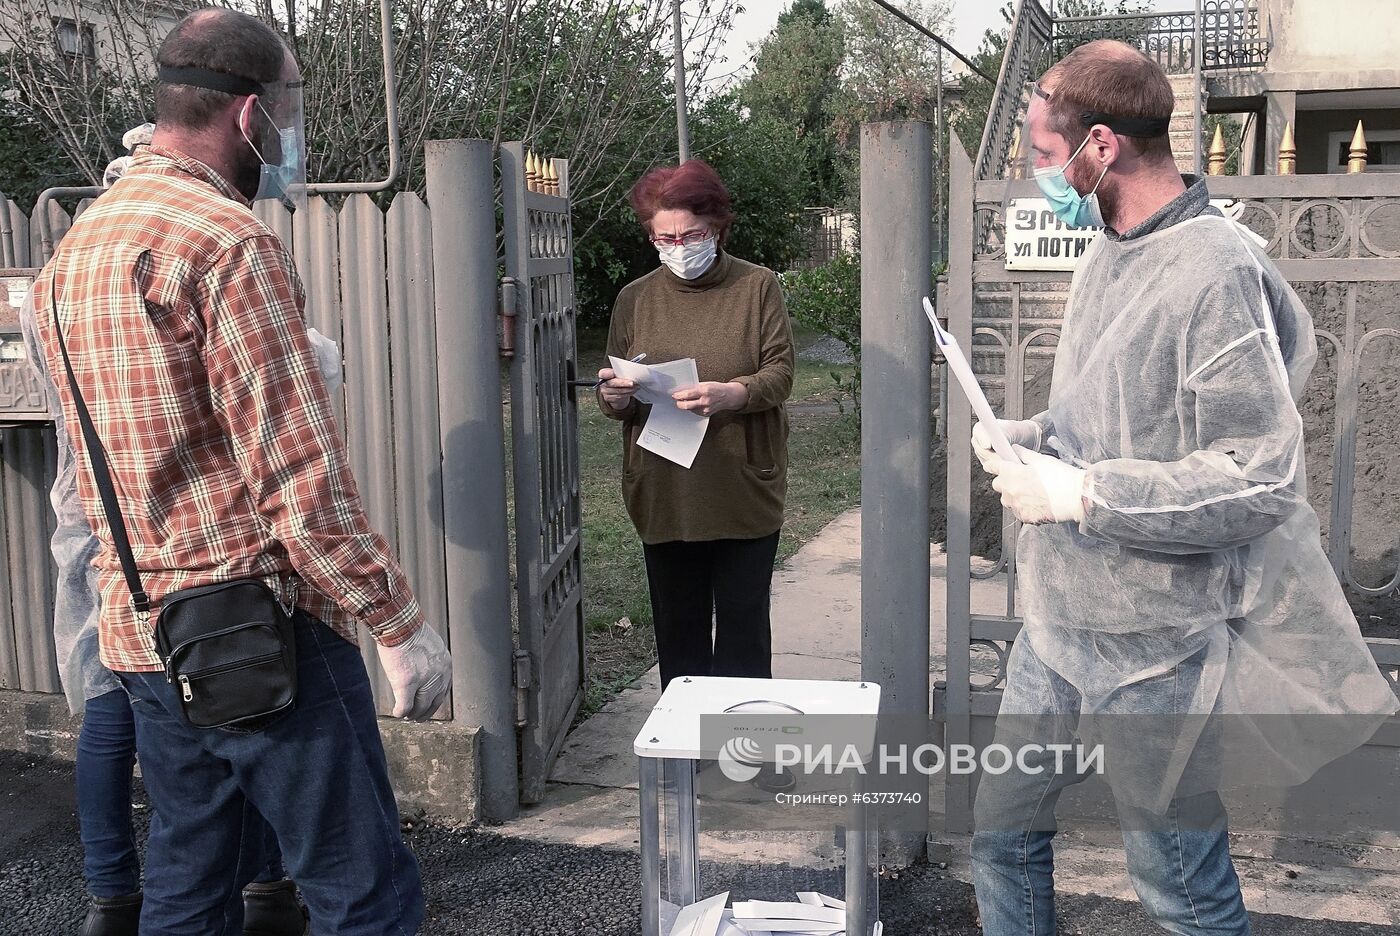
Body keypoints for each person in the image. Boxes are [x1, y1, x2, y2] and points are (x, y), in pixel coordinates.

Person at [25, 9, 451, 934]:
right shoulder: (225, 241)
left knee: (187, 885)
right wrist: (397, 624)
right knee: (364, 890)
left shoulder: (72, 253)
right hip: (261, 636)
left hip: (140, 633)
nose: (292, 133)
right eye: (291, 107)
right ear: (251, 116)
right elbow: (298, 472)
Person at [969, 40, 1399, 935]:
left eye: (1045, 158)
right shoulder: (1109, 254)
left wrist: (1084, 495)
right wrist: (1033, 441)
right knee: (1001, 834)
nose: (1034, 177)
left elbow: (1258, 475)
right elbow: (1102, 420)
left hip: (1158, 644)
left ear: (1100, 145)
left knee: (1176, 880)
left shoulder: (1215, 271)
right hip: (1059, 620)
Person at [20, 126, 310, 936]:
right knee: (224, 705)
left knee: (121, 704)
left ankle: (115, 895)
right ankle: (255, 885)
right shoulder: (197, 253)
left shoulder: (61, 274)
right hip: (182, 534)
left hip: (96, 518)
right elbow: (297, 372)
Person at [596, 160, 794, 693]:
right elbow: (615, 386)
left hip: (741, 488)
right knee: (678, 633)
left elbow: (780, 373)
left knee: (743, 634)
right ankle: (684, 756)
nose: (680, 246)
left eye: (693, 234)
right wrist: (612, 395)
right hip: (665, 490)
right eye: (666, 237)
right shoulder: (635, 298)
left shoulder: (758, 287)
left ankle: (743, 754)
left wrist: (733, 393)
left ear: (719, 226)